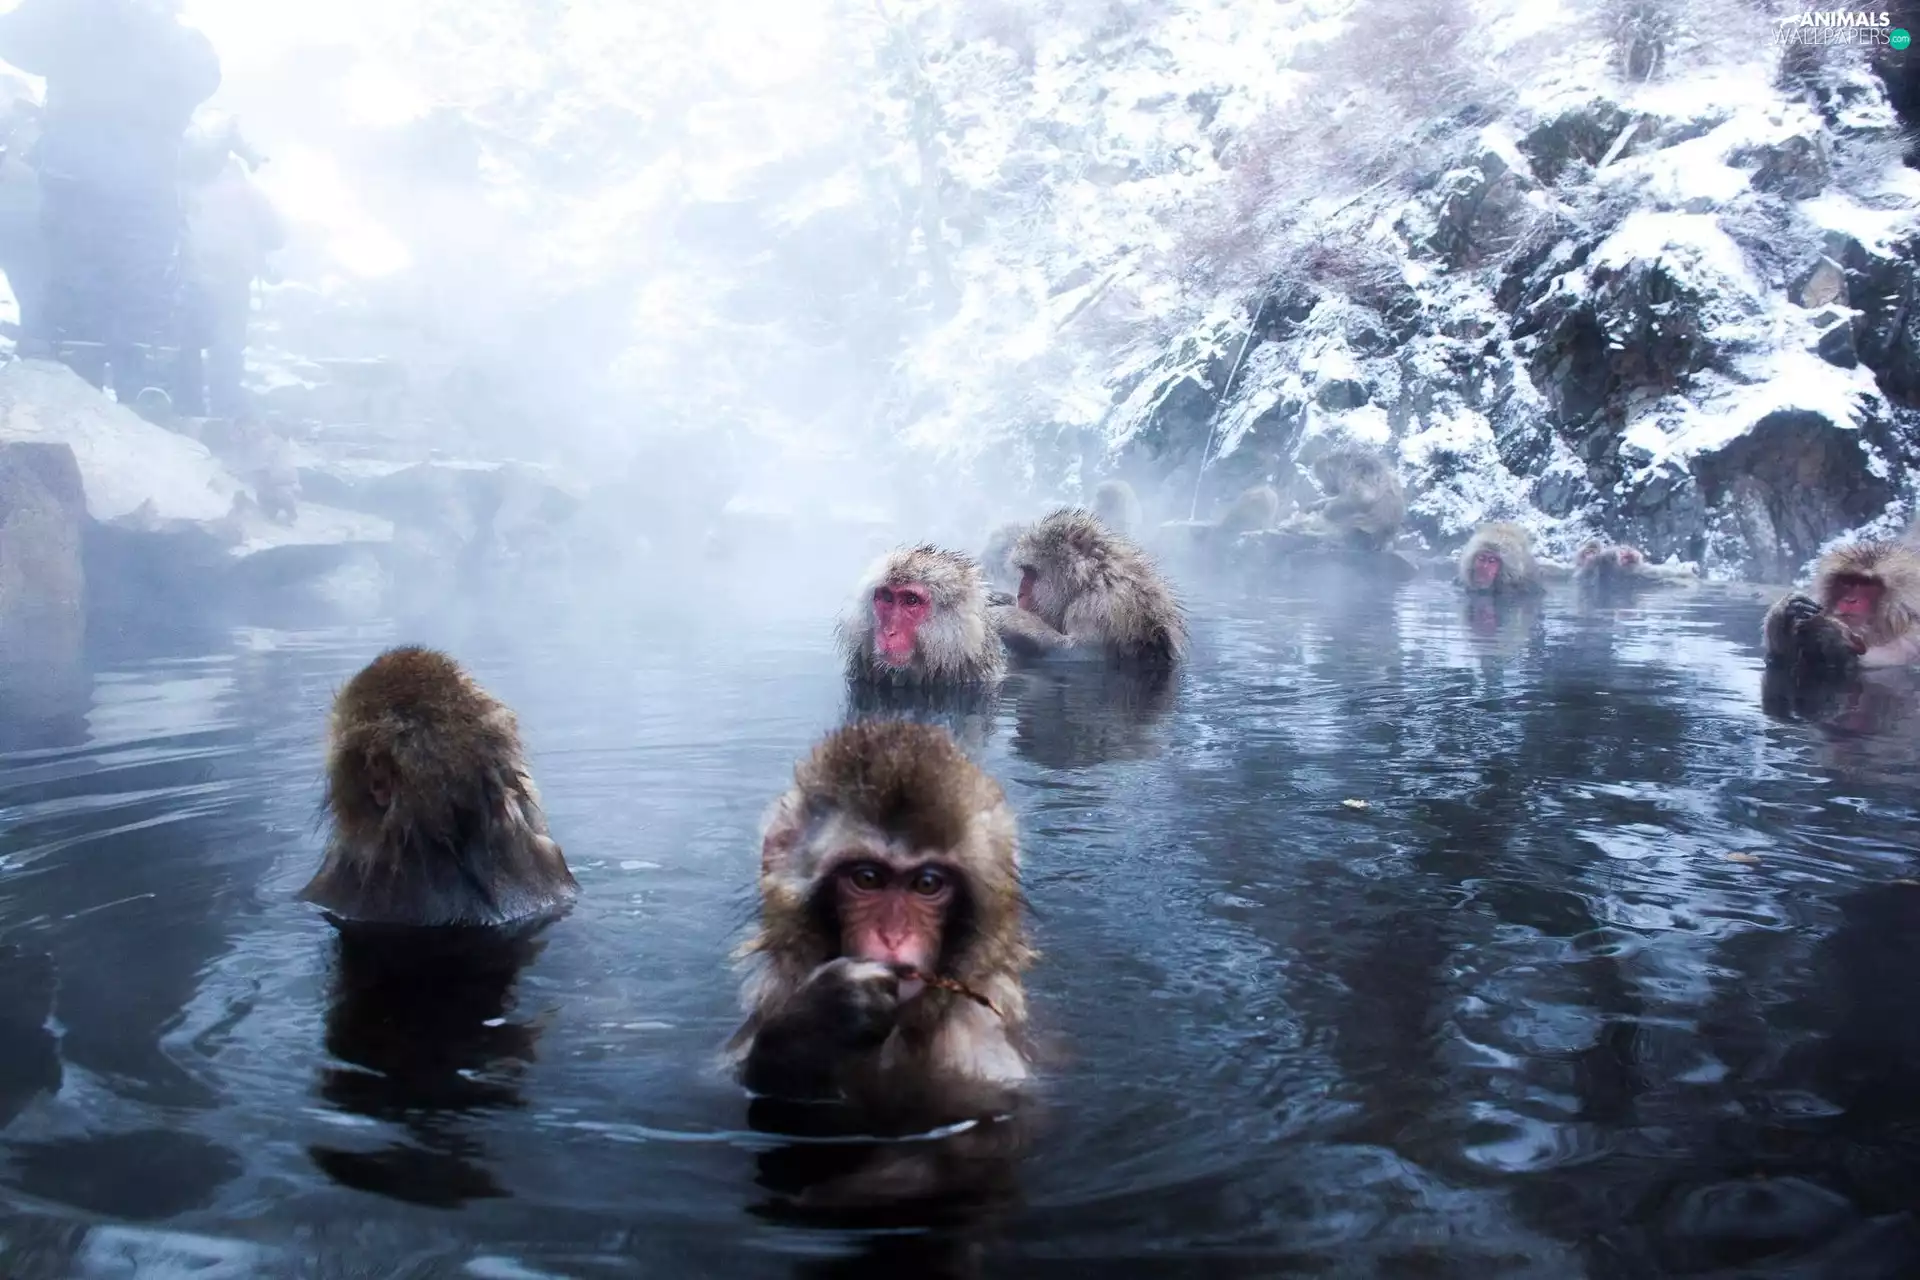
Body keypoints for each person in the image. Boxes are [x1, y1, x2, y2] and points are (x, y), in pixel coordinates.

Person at [0, 0, 219, 402]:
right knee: (140, 309)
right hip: (140, 189)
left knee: (77, 304)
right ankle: (144, 402)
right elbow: (204, 80)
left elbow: (13, 36)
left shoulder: (77, 22)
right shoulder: (177, 37)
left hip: (78, 182)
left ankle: (84, 402)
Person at [174, 117, 281, 418]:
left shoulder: (175, 184)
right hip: (232, 279)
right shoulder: (242, 187)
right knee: (227, 350)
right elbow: (276, 234)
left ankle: (187, 416)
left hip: (185, 278)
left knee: (185, 349)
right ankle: (227, 416)